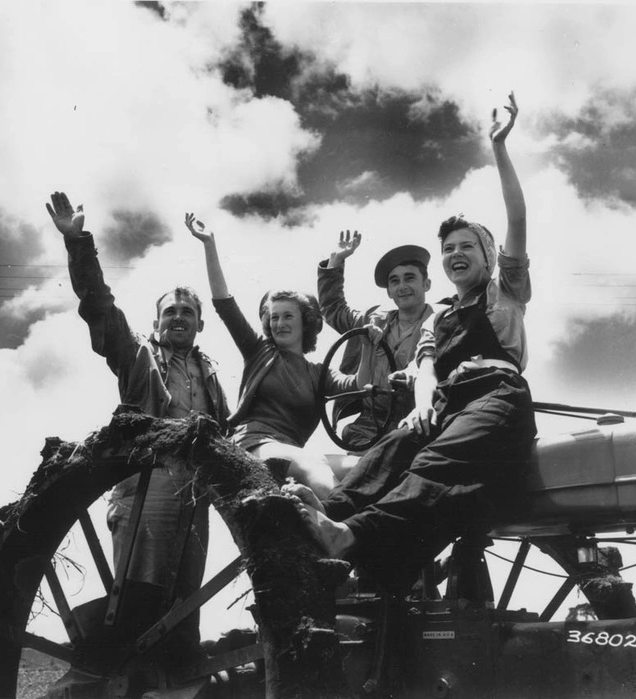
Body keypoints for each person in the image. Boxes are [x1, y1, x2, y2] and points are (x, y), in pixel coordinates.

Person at [286, 92, 538, 592]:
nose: (457, 254)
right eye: (449, 250)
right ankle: (326, 512)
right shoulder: (438, 317)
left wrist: (499, 149)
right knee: (396, 447)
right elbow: (426, 369)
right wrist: (421, 408)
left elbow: (517, 218)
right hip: (446, 401)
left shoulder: (504, 292)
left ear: (489, 255)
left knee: (433, 462)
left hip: (496, 397)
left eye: (468, 246)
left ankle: (348, 535)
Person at [46, 191, 229, 661]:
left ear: (200, 324)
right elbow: (99, 307)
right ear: (156, 321)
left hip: (196, 492)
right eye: (170, 312)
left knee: (187, 596)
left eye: (188, 313)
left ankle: (182, 680)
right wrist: (78, 243)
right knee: (141, 592)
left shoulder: (210, 373)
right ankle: (127, 675)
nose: (179, 319)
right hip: (148, 484)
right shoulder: (137, 355)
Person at [186, 213, 379, 499]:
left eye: (288, 316)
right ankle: (344, 526)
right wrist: (209, 244)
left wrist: (368, 345)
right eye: (274, 317)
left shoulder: (318, 372)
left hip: (293, 452)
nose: (279, 323)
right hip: (253, 445)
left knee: (364, 466)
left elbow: (359, 386)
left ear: (307, 322)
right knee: (311, 463)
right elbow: (224, 303)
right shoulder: (258, 351)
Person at [318, 233, 433, 454]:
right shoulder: (373, 320)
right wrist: (336, 261)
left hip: (416, 427)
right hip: (367, 430)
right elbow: (333, 309)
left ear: (426, 284)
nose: (402, 286)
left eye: (410, 278)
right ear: (389, 291)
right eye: (395, 281)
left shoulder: (442, 325)